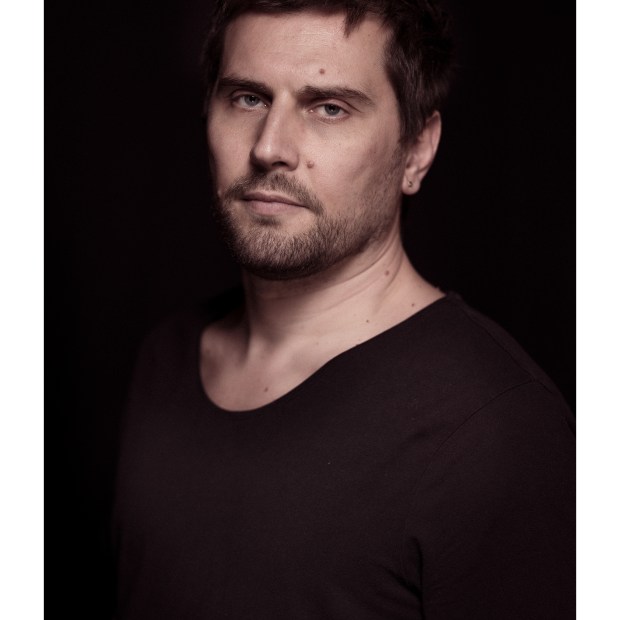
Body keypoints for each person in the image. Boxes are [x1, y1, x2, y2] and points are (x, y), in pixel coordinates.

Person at [113, 0, 575, 617]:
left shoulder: (496, 430)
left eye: (329, 108)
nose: (270, 148)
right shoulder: (166, 359)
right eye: (247, 98)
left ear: (417, 150)